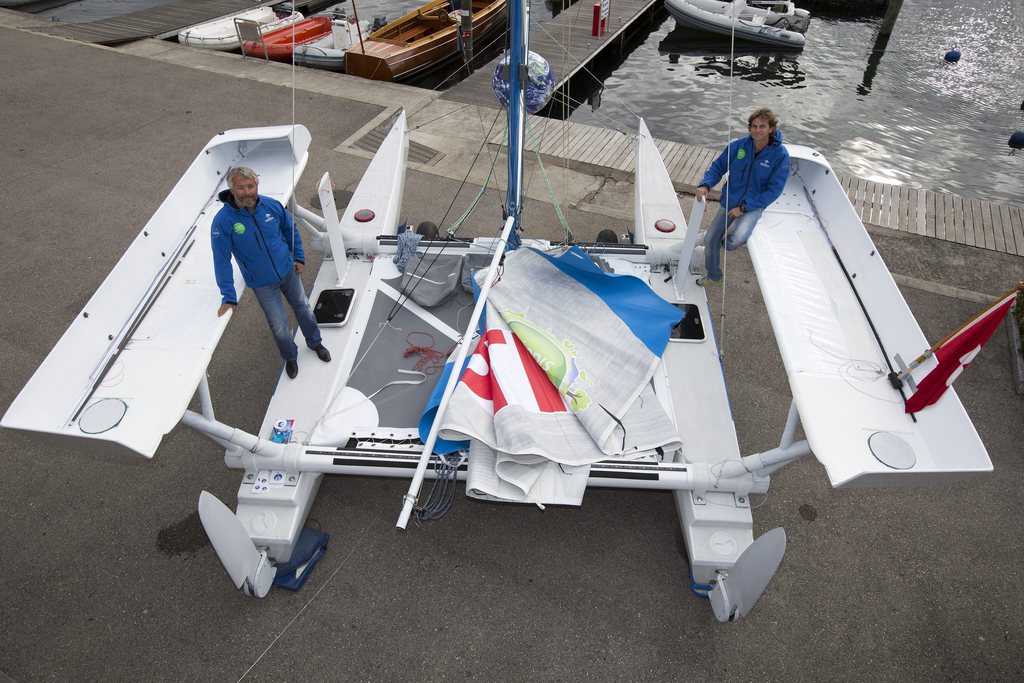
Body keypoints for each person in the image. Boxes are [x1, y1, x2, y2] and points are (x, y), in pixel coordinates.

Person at [212, 166, 331, 379]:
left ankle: (316, 343)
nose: (247, 192)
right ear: (232, 189)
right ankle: (291, 357)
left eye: (251, 186)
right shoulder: (223, 222)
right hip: (262, 284)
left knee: (304, 308)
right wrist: (228, 296)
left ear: (257, 186)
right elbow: (221, 260)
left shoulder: (271, 206)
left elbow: (290, 230)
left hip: (288, 271)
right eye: (241, 188)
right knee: (279, 327)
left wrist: (298, 258)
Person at [694, 107, 790, 286]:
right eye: (754, 126)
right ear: (749, 128)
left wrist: (744, 208)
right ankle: (714, 275)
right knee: (710, 240)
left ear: (771, 129)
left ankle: (726, 234)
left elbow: (774, 190)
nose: (757, 130)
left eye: (762, 126)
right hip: (730, 200)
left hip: (753, 205)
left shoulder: (781, 155)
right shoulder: (738, 146)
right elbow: (718, 167)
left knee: (734, 242)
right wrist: (705, 184)